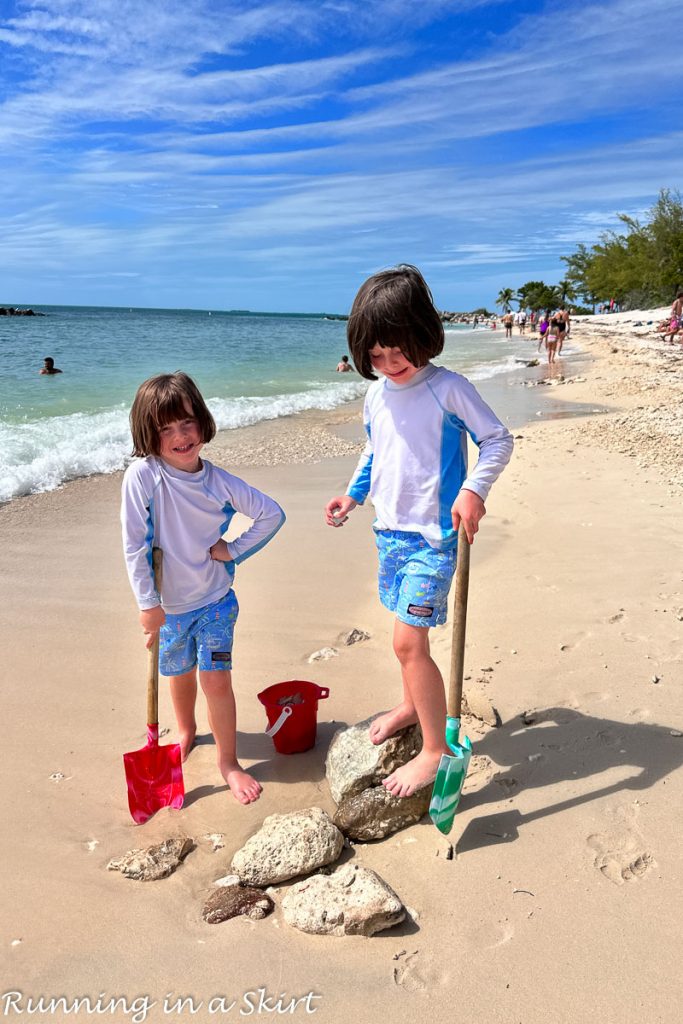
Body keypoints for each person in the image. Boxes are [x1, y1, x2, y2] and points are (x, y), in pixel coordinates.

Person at [324, 265, 513, 798]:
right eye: (375, 357)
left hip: (434, 537)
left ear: (423, 335)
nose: (388, 364)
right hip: (390, 533)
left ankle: (435, 751)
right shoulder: (376, 395)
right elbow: (374, 450)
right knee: (408, 641)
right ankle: (412, 705)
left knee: (408, 641)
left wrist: (474, 490)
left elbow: (497, 440)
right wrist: (354, 494)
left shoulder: (448, 389)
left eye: (397, 351)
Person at [121, 372, 285, 804]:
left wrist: (232, 550)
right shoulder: (143, 477)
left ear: (203, 422)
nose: (180, 436)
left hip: (215, 603)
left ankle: (229, 761)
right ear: (147, 434)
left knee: (216, 679)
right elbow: (134, 544)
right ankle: (187, 731)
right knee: (177, 674)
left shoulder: (218, 483)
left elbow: (270, 515)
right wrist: (147, 604)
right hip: (169, 608)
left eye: (188, 422)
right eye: (165, 429)